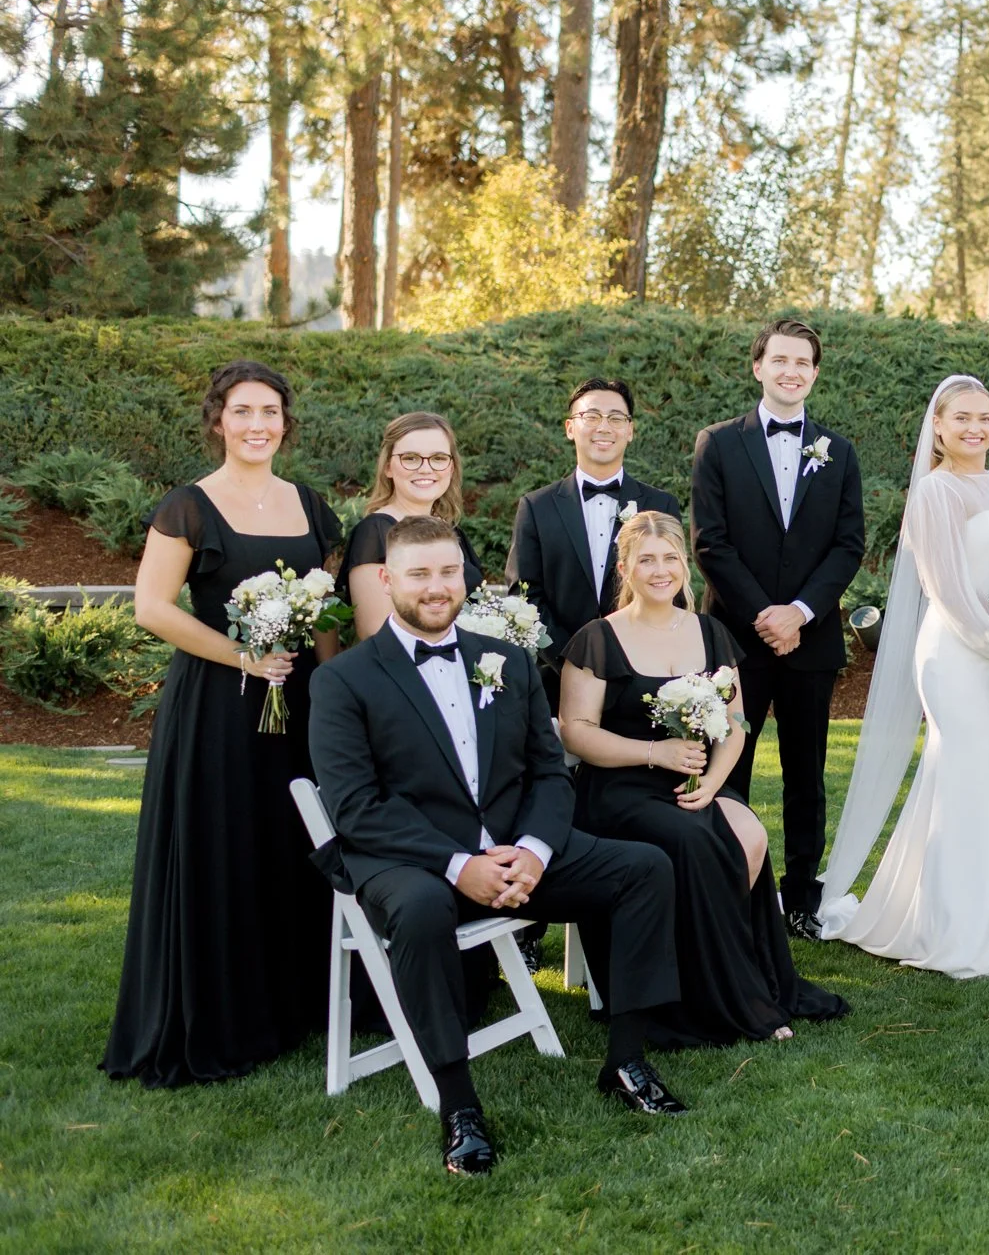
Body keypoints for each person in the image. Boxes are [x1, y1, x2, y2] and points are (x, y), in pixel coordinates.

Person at [309, 516, 690, 1176]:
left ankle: (627, 1061)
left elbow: (549, 772)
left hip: (517, 853)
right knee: (421, 910)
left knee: (643, 869)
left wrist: (536, 851)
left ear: (467, 577)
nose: (436, 587)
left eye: (448, 571)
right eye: (420, 574)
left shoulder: (507, 661)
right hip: (412, 861)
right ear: (386, 580)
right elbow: (356, 807)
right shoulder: (344, 680)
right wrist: (460, 866)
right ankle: (458, 1105)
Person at [103, 361, 343, 1089]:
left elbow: (324, 613)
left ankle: (291, 1004)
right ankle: (222, 1014)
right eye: (242, 411)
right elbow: (152, 606)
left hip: (297, 703)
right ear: (218, 420)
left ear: (286, 423)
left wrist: (332, 689)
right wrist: (244, 656)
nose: (257, 425)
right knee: (225, 844)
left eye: (270, 411)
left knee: (291, 842)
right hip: (217, 704)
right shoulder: (189, 506)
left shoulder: (310, 505)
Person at [559, 511, 850, 1046]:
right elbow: (577, 732)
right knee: (694, 840)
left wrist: (714, 784)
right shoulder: (597, 638)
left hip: (697, 780)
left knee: (750, 834)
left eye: (670, 558)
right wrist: (655, 751)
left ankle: (739, 975)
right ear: (625, 569)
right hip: (620, 785)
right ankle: (714, 998)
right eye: (646, 560)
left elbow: (735, 725)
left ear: (684, 565)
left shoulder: (711, 632)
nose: (660, 570)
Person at [814, 376, 989, 978]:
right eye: (961, 418)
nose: (975, 428)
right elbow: (948, 587)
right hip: (960, 653)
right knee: (966, 775)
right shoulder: (935, 491)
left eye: (985, 417)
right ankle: (954, 930)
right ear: (937, 426)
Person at [690, 319, 866, 942]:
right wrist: (766, 615)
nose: (792, 371)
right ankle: (730, 889)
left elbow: (848, 545)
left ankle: (801, 899)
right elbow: (710, 541)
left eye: (803, 362)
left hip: (810, 641)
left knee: (806, 774)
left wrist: (801, 612)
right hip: (737, 640)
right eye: (780, 360)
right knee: (727, 765)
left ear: (814, 373)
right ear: (758, 367)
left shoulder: (839, 452)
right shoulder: (718, 443)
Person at [505, 378, 683, 711]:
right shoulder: (536, 507)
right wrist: (572, 662)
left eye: (616, 418)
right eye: (591, 416)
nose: (604, 427)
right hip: (555, 680)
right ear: (570, 428)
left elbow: (671, 589)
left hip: (642, 679)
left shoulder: (661, 505)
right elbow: (525, 596)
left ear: (630, 430)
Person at [342, 412, 484, 639]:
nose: (426, 469)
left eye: (438, 458)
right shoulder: (375, 533)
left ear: (451, 467)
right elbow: (374, 631)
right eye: (410, 458)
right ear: (388, 467)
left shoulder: (454, 532)